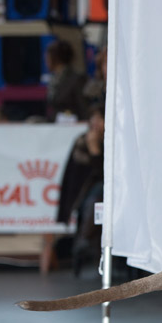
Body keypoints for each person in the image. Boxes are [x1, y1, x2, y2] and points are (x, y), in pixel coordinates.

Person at [56, 104, 105, 276]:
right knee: (98, 196)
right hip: (85, 193)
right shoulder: (82, 141)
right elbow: (80, 177)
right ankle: (85, 240)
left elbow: (108, 173)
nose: (95, 123)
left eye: (100, 119)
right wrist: (93, 149)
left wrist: (96, 151)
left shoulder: (118, 141)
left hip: (117, 192)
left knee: (102, 192)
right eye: (94, 119)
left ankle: (85, 239)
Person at [45, 40, 87, 122]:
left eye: (48, 57)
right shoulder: (54, 80)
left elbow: (83, 107)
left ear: (55, 58)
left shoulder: (76, 79)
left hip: (73, 125)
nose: (46, 61)